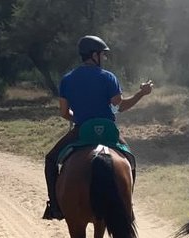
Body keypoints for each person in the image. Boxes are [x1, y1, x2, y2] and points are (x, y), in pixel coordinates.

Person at [43, 35, 153, 220]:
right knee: (130, 160)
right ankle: (127, 205)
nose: (105, 58)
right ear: (95, 55)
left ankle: (55, 206)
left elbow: (63, 112)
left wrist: (76, 117)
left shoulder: (67, 79)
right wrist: (142, 93)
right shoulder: (109, 77)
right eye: (104, 54)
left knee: (51, 160)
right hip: (108, 131)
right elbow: (119, 107)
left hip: (81, 130)